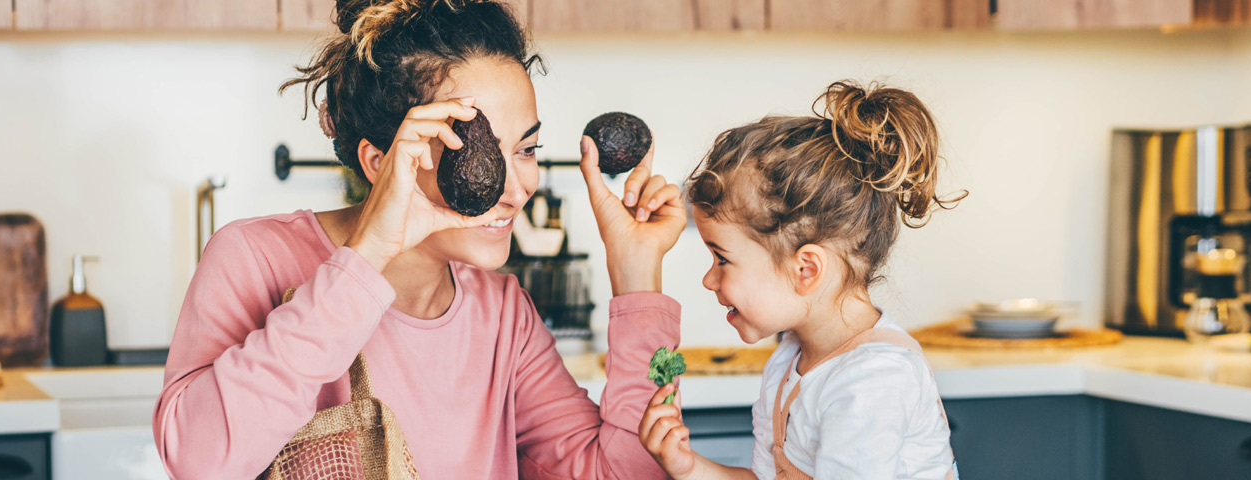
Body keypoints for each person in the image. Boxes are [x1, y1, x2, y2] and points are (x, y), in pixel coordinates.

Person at [151, 1, 686, 477]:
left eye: (526, 149)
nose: (515, 187)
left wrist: (638, 280)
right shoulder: (254, 259)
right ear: (380, 164)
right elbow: (198, 462)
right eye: (474, 151)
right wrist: (367, 259)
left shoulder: (502, 315)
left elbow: (628, 471)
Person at [639, 80, 965, 480]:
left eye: (722, 259)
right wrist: (688, 468)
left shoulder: (873, 381)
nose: (709, 280)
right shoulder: (791, 358)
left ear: (806, 270)